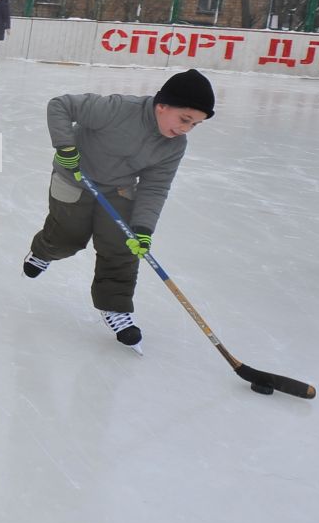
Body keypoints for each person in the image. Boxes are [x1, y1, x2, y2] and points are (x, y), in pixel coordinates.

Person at [21, 69, 215, 347]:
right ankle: (43, 250)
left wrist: (143, 229)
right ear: (162, 106)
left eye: (194, 125)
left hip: (117, 189)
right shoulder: (118, 109)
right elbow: (60, 105)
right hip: (74, 177)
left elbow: (155, 187)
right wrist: (65, 148)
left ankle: (116, 306)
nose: (185, 129)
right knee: (67, 239)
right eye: (185, 119)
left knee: (123, 246)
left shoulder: (174, 146)